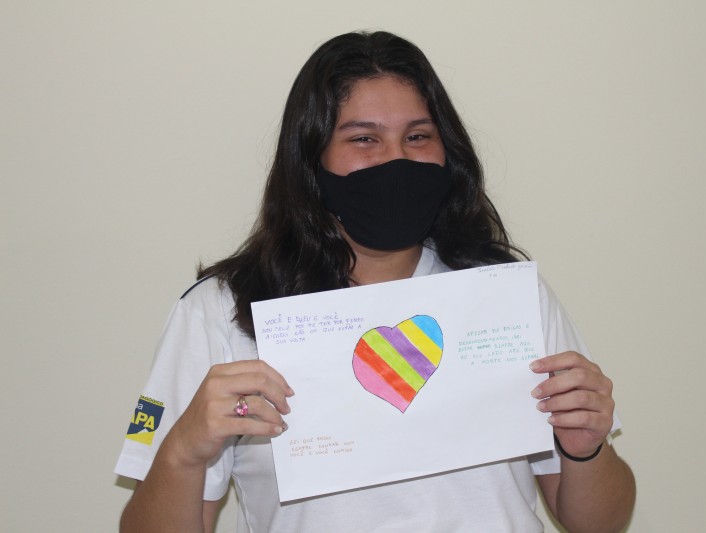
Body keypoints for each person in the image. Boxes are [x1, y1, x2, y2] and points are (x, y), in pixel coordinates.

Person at [115, 30, 635, 533]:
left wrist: (586, 446)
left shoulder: (505, 296)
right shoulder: (223, 310)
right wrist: (182, 450)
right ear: (311, 158)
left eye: (418, 136)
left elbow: (599, 522)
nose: (396, 159)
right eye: (364, 139)